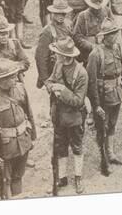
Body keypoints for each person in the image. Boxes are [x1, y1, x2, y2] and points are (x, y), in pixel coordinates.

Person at [0, 59, 36, 199]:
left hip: (23, 144)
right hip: (4, 149)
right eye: (12, 76)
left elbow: (29, 113)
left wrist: (32, 137)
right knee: (5, 181)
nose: (16, 78)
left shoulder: (20, 89)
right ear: (2, 80)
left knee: (18, 177)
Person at [45, 37, 89, 194]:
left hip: (74, 117)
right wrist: (51, 87)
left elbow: (78, 101)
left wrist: (61, 91)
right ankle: (62, 177)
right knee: (61, 147)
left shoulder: (81, 73)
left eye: (58, 53)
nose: (55, 56)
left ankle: (78, 177)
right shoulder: (58, 64)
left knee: (77, 146)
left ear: (66, 56)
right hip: (59, 116)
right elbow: (49, 81)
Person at [86, 18, 122, 168]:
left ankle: (111, 153)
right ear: (104, 36)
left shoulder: (117, 48)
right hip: (103, 97)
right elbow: (91, 83)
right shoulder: (96, 54)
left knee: (112, 124)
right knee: (101, 128)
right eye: (111, 34)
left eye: (115, 33)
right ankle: (103, 158)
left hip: (116, 93)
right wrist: (96, 105)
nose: (114, 37)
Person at [0, 12, 30, 93]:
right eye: (1, 34)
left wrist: (12, 67)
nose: (5, 37)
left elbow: (26, 63)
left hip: (14, 84)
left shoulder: (14, 44)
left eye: (6, 33)